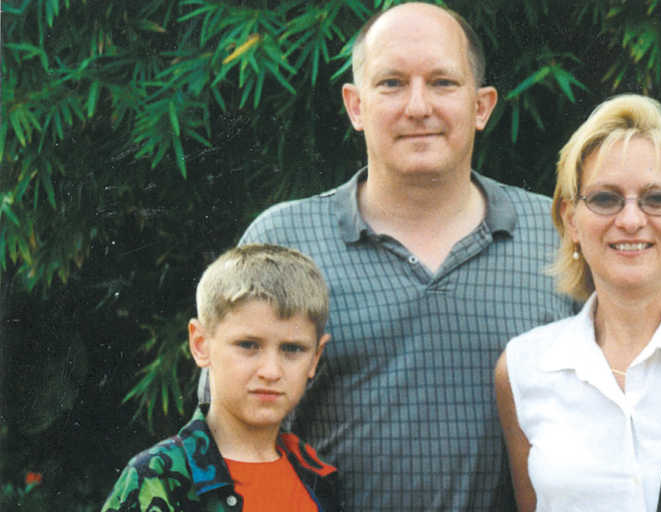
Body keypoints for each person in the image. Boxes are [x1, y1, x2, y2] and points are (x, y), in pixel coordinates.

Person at [196, 2, 577, 510]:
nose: (418, 106)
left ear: (481, 106)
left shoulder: (556, 238)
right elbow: (226, 432)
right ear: (355, 105)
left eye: (442, 82)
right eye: (392, 83)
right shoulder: (285, 238)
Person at [495, 94, 661, 512]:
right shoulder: (525, 367)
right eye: (605, 198)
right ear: (571, 220)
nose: (630, 219)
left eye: (656, 198)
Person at [103, 244, 338, 512]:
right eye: (248, 345)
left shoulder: (318, 476)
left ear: (315, 358)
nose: (271, 371)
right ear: (201, 344)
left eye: (292, 348)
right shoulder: (158, 477)